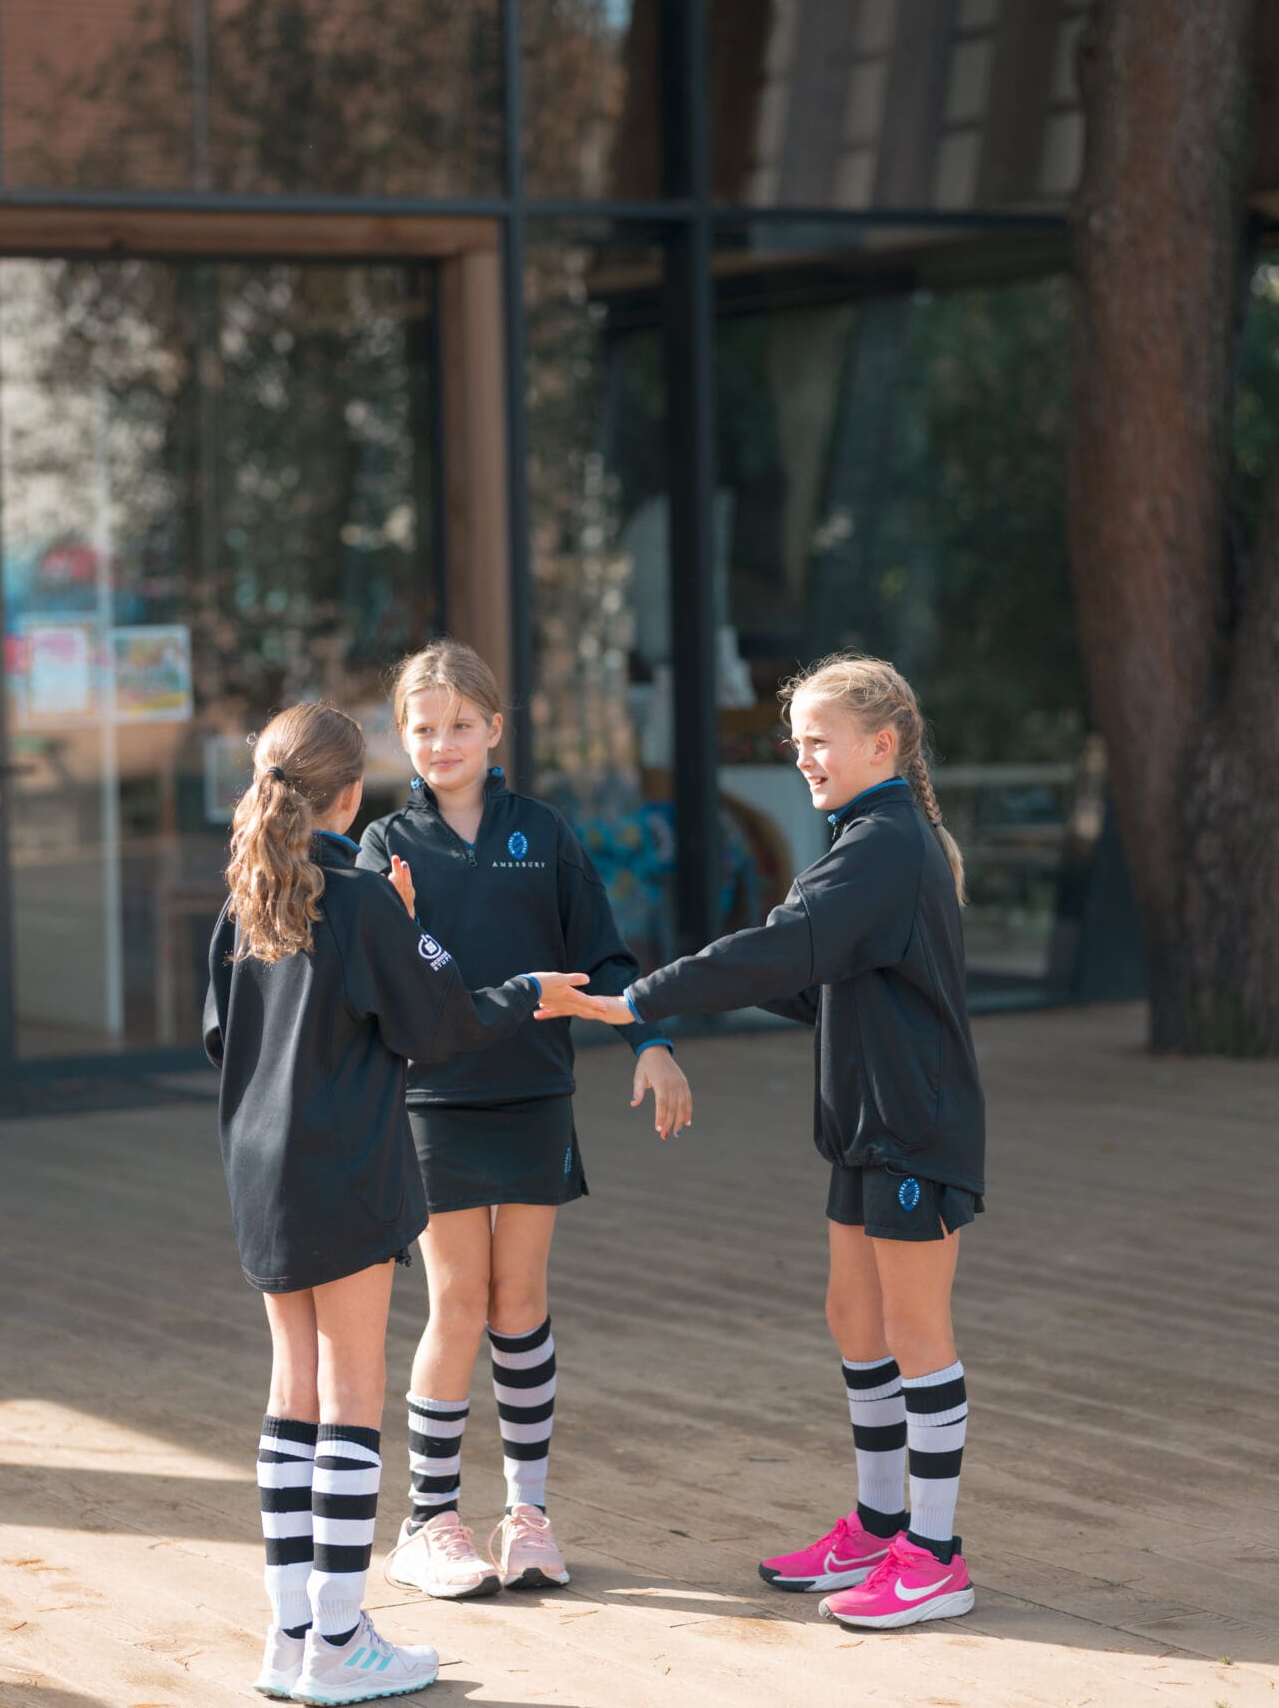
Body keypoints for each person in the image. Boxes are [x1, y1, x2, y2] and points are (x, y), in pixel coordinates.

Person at [550, 654, 984, 1632]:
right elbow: (807, 978)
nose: (805, 761)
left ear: (884, 743)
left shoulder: (883, 843)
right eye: (796, 747)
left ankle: (935, 1554)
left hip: (915, 1126)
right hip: (863, 1128)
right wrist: (689, 1002)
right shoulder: (859, 842)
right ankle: (879, 1526)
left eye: (819, 742)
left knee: (915, 1336)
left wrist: (650, 996)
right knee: (852, 1316)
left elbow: (785, 950)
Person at [202, 701, 588, 1704]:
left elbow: (220, 1036)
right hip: (347, 1167)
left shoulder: (246, 891)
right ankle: (337, 1642)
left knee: (291, 1395)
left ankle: (293, 1638)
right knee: (349, 1402)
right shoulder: (367, 899)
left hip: (259, 1170)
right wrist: (529, 991)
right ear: (349, 791)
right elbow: (442, 1022)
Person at [357, 640, 693, 1601]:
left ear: (496, 729)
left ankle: (528, 1516)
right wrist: (396, 926)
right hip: (432, 1102)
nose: (443, 741)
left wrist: (651, 1045)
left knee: (521, 1301)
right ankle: (428, 1520)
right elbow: (382, 980)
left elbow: (607, 956)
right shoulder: (385, 846)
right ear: (403, 737)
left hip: (537, 1095)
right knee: (457, 1302)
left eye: (462, 724)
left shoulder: (543, 831)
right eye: (424, 728)